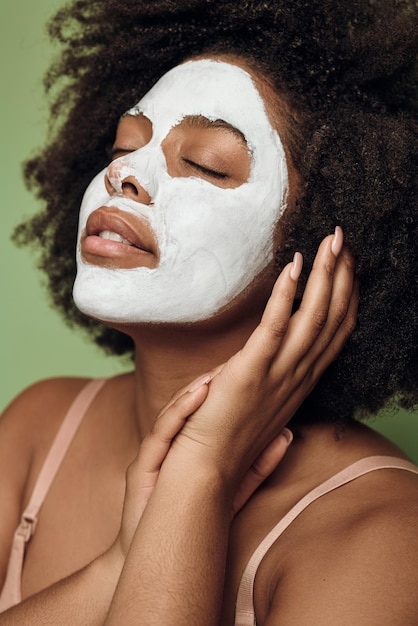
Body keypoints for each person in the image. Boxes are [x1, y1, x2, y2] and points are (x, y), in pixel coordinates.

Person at [0, 0, 417, 624]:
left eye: (204, 164)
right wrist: (122, 561)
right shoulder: (38, 424)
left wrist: (199, 470)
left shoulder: (386, 533)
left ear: (323, 238)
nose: (125, 175)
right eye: (124, 145)